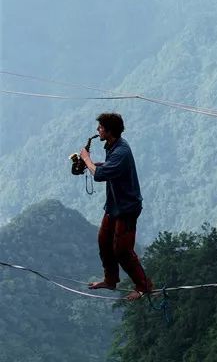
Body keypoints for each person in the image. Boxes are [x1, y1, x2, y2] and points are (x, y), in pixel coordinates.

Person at [80, 112, 153, 301]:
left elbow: (100, 175)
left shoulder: (121, 151)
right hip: (114, 205)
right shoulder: (113, 146)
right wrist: (100, 164)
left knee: (122, 250)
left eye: (101, 127)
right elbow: (110, 168)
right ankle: (110, 279)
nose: (98, 130)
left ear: (109, 130)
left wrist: (87, 159)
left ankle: (144, 286)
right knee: (104, 242)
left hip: (127, 208)